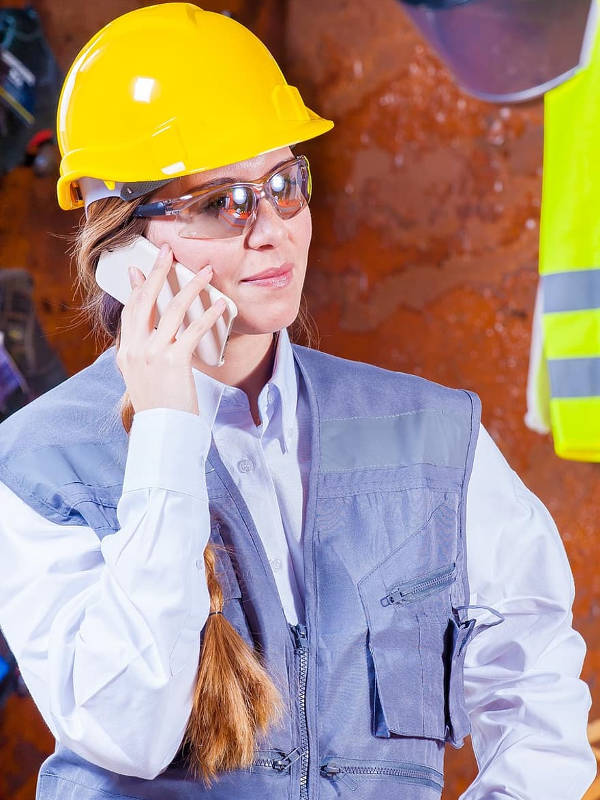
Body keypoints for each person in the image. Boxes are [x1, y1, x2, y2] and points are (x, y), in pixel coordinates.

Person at [0, 4, 595, 799]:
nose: (274, 229)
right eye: (223, 202)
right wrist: (169, 430)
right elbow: (130, 729)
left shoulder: (432, 435)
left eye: (286, 186)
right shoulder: (37, 466)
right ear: (125, 245)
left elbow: (536, 687)